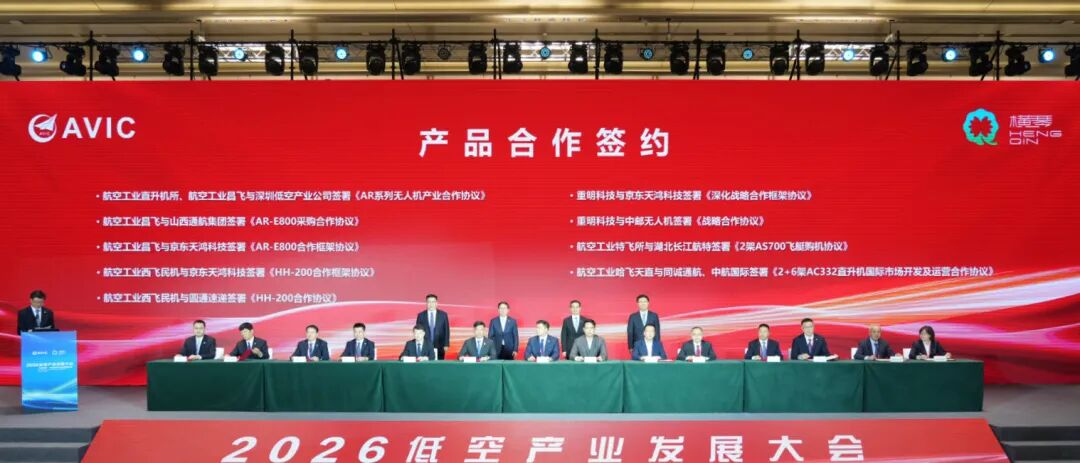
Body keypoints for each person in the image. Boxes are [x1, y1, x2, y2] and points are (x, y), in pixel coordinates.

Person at [415, 293, 450, 359]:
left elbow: (446, 330)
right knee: (425, 361)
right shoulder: (421, 315)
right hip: (425, 344)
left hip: (440, 344)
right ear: (426, 303)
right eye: (429, 302)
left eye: (433, 302)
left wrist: (446, 344)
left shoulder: (443, 315)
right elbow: (417, 330)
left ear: (436, 303)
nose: (431, 304)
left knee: (439, 363)